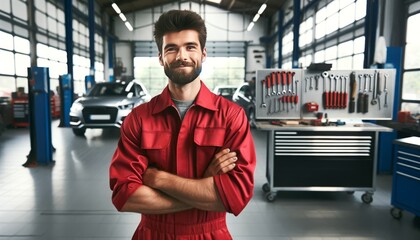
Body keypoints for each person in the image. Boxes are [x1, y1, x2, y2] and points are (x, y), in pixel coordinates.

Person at [109, 9, 256, 240]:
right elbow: (125, 196)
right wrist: (204, 185)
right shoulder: (138, 119)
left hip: (211, 234)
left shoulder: (231, 117)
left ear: (203, 53)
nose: (182, 56)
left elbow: (236, 195)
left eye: (190, 47)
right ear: (161, 58)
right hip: (152, 234)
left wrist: (159, 179)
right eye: (171, 49)